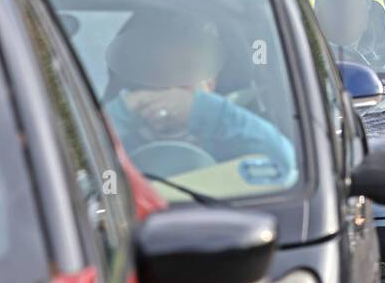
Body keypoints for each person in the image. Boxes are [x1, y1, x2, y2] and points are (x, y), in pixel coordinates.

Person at [103, 11, 295, 182]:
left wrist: (207, 111)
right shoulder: (120, 139)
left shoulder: (234, 135)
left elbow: (286, 167)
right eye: (156, 72)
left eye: (187, 69)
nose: (172, 86)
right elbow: (79, 166)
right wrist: (122, 112)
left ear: (211, 82)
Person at [314, 0, 375, 65]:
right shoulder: (297, 53)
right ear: (316, 15)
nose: (344, 14)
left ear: (366, 20)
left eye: (352, 8)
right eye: (336, 7)